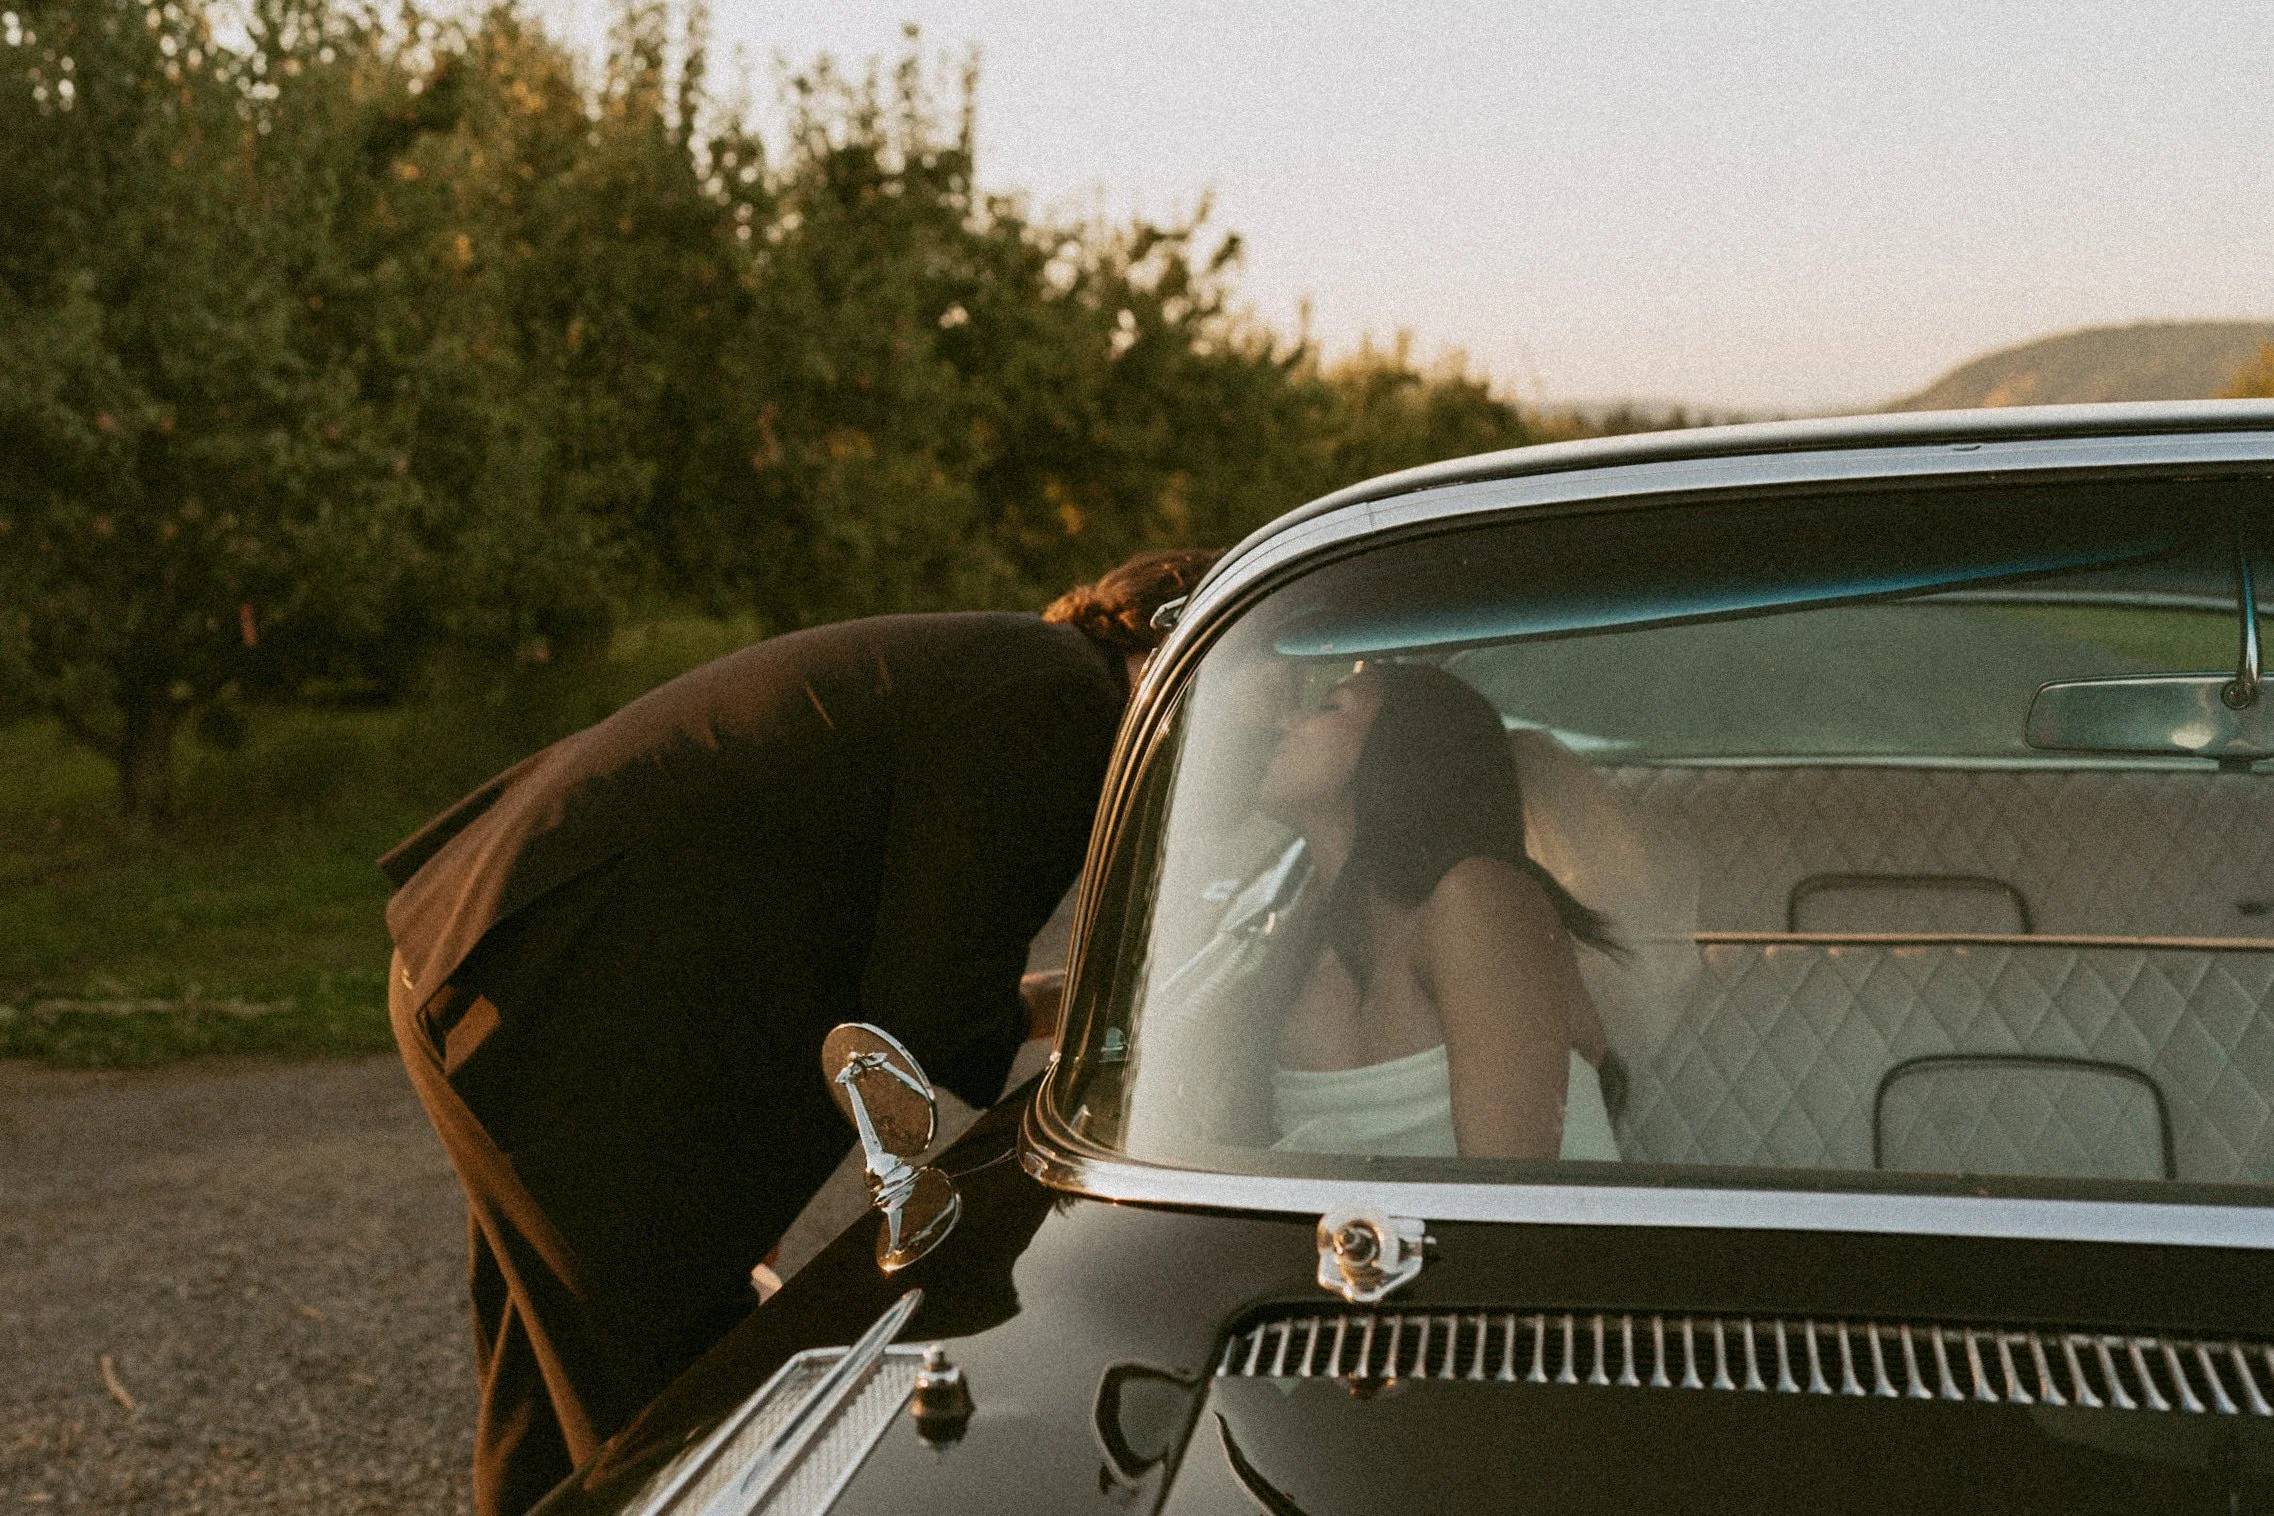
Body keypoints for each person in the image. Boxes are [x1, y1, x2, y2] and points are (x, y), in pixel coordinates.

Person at [379, 549, 1215, 1516]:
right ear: (1174, 646)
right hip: (552, 989)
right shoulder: (1067, 706)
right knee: (674, 1417)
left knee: (547, 1405)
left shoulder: (1020, 667)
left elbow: (878, 940)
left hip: (493, 954)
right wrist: (1073, 1007)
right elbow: (930, 1010)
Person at [1255, 661, 1623, 1160]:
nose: (1284, 723)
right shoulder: (1293, 929)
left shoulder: (1478, 899)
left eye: (1329, 706)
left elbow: (1509, 1189)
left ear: (1401, 751)